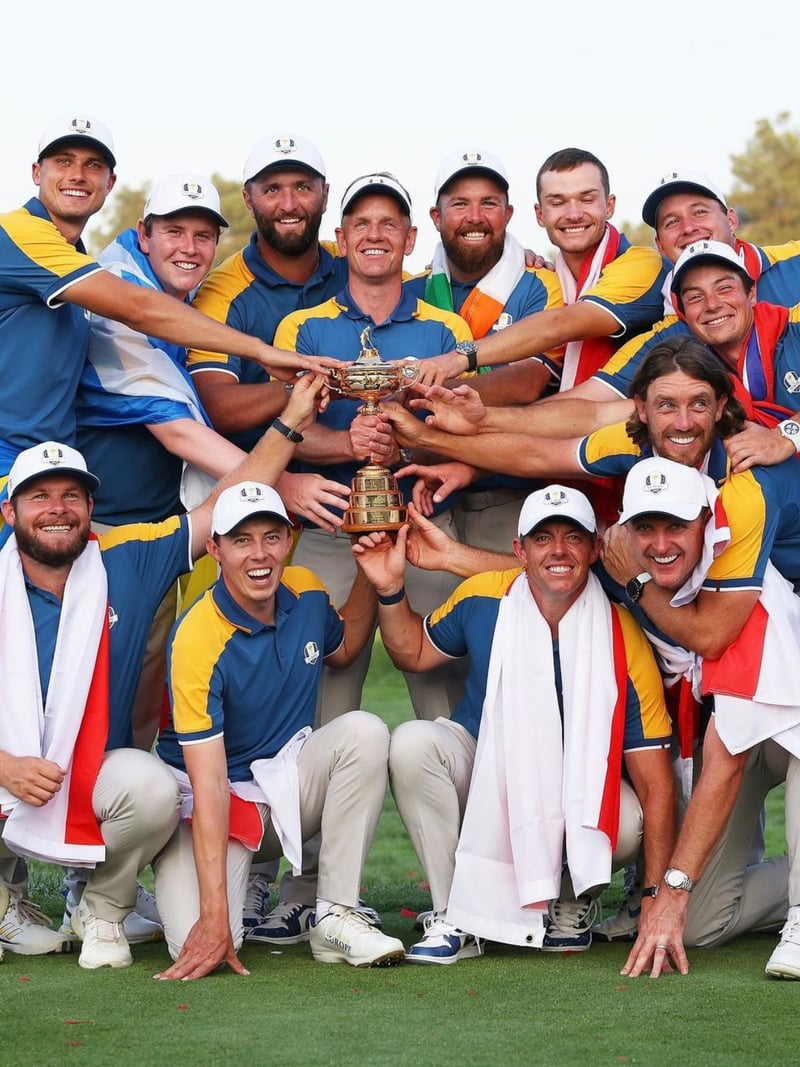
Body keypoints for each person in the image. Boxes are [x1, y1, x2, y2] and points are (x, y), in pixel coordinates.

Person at [0, 374, 326, 967]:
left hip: (92, 771)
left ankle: (100, 907)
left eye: (71, 496)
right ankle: (4, 902)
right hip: (6, 767)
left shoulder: (127, 557)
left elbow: (225, 505)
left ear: (90, 508)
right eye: (39, 497)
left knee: (153, 788)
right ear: (10, 510)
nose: (57, 510)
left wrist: (291, 422)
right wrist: (4, 765)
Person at [353, 485, 675, 963]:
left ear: (594, 549)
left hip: (579, 785)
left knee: (629, 825)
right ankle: (455, 912)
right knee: (412, 743)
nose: (558, 551)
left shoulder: (622, 633)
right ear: (519, 550)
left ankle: (571, 894)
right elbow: (413, 652)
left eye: (573, 537)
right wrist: (389, 589)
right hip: (490, 768)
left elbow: (656, 784)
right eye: (543, 538)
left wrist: (655, 897)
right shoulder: (483, 594)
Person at [0, 115, 326, 510]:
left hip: (47, 475)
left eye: (93, 165)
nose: (78, 175)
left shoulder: (78, 260)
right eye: (63, 161)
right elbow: (138, 310)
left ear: (110, 182)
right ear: (36, 172)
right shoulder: (21, 234)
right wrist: (261, 353)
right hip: (22, 474)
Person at [152, 481, 406, 979]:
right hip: (211, 805)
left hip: (282, 790)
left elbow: (344, 648)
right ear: (215, 550)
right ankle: (222, 898)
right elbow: (209, 786)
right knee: (193, 939)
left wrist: (369, 574)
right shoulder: (197, 637)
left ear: (289, 541)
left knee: (364, 732)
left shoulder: (305, 588)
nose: (260, 554)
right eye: (241, 540)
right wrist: (214, 916)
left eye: (271, 537)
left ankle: (336, 914)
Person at [274, 172, 472, 724]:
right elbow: (287, 431)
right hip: (331, 527)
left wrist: (403, 450)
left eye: (389, 223)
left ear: (411, 238)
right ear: (341, 239)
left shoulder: (446, 330)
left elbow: (467, 431)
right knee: (321, 702)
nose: (375, 234)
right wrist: (348, 442)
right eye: (361, 223)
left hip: (424, 528)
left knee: (444, 699)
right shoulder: (302, 328)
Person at [600, 457, 799, 979]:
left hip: (780, 729)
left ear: (707, 524)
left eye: (677, 526)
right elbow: (554, 567)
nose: (661, 543)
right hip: (740, 738)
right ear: (624, 532)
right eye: (646, 527)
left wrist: (670, 892)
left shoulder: (739, 584)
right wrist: (448, 556)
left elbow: (724, 764)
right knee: (702, 925)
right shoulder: (632, 568)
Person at [186, 130, 352, 530]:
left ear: (325, 195)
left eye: (303, 187)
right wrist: (302, 388)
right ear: (248, 199)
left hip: (362, 498)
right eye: (272, 189)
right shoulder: (222, 291)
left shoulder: (353, 264)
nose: (289, 204)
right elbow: (214, 406)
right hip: (256, 507)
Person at [402, 148, 562, 551]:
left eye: (488, 203)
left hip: (506, 493)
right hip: (420, 497)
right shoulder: (409, 291)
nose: (475, 217)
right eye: (460, 204)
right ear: (436, 217)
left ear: (507, 215)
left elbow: (529, 381)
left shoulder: (541, 284)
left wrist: (424, 394)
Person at [413, 149, 666, 392]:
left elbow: (559, 325)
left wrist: (458, 359)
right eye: (558, 202)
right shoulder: (550, 275)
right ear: (540, 214)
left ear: (609, 206)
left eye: (587, 199)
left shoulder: (642, 263)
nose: (573, 214)